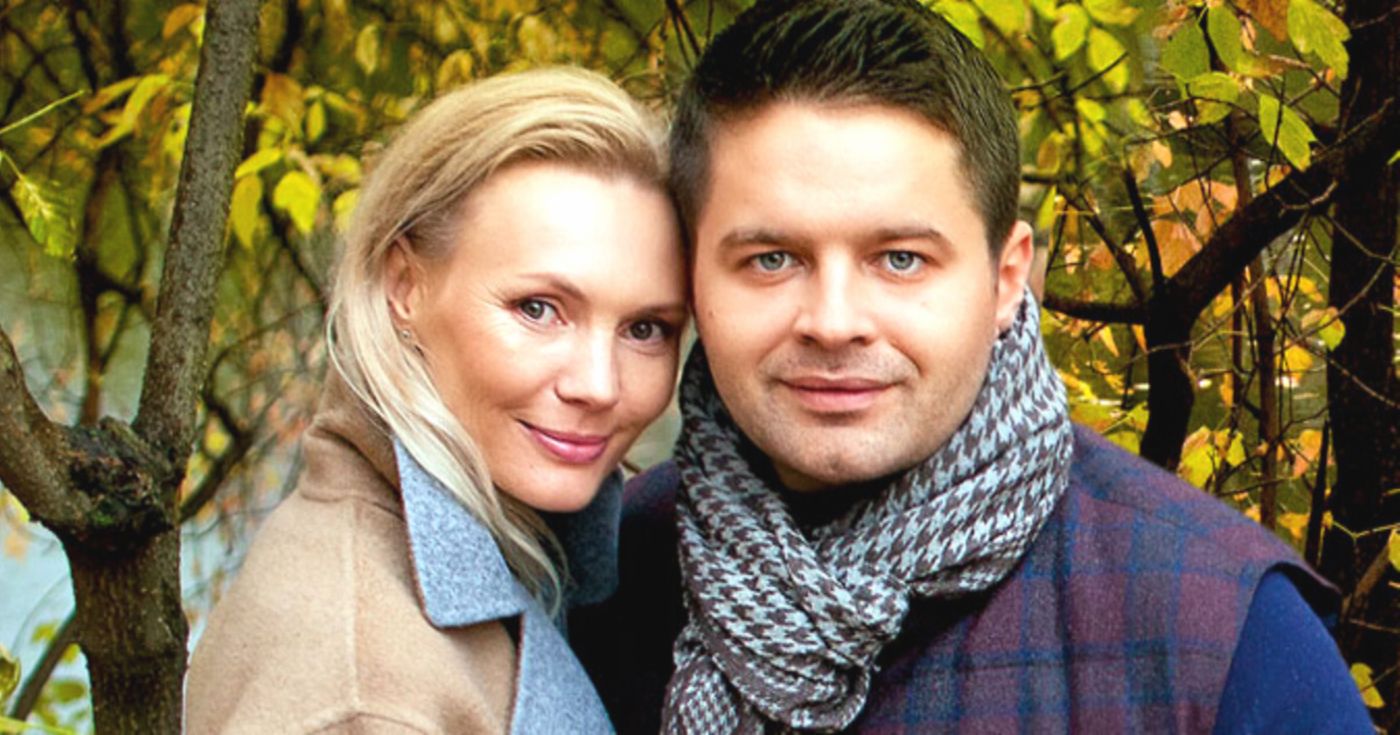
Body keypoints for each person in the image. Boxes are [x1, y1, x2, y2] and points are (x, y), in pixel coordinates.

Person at [570, 1, 1373, 732]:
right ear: (691, 277)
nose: (834, 322)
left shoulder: (1217, 632)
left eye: (901, 258)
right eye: (771, 258)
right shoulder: (608, 579)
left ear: (1006, 278)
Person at [186, 67, 685, 733]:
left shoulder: (506, 550)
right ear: (405, 286)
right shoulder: (368, 697)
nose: (599, 384)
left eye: (645, 328)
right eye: (538, 308)